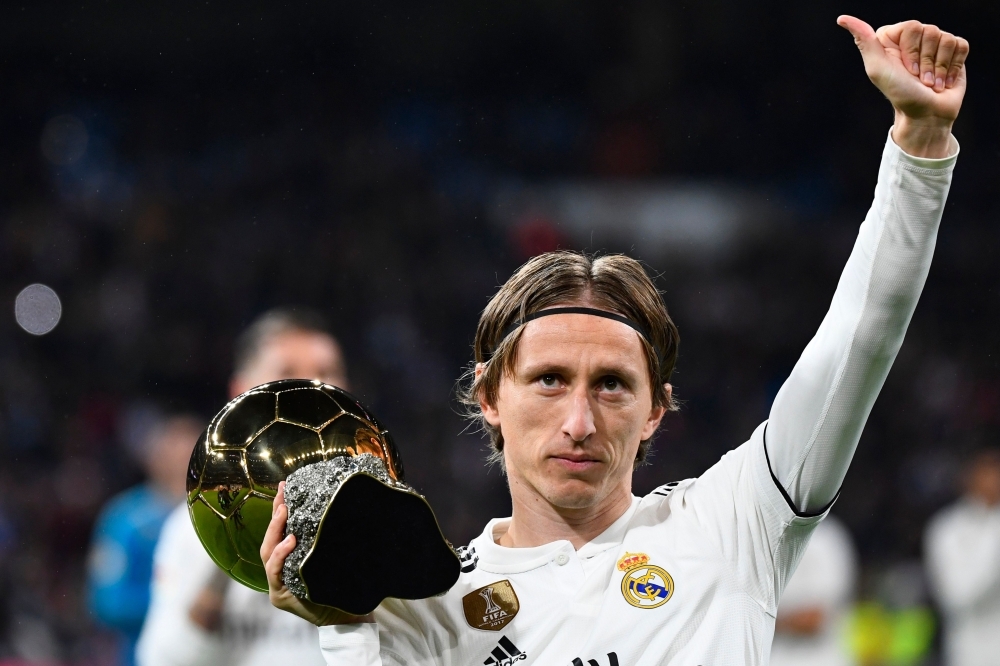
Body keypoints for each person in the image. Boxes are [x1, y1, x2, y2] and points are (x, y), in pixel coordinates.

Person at [261, 16, 967, 665]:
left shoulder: (734, 524)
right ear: (489, 397)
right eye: (548, 379)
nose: (579, 421)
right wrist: (342, 621)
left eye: (612, 384)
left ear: (656, 409)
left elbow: (860, 338)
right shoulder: (423, 610)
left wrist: (921, 145)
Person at [136, 308, 348, 666]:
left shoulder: (381, 518)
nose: (312, 389)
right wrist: (227, 548)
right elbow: (163, 659)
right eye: (286, 373)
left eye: (326, 373)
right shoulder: (192, 528)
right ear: (240, 393)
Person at [87, 413, 205, 666]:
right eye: (173, 455)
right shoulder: (126, 519)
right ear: (155, 459)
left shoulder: (220, 517)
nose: (181, 464)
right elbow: (109, 602)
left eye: (190, 455)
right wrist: (181, 602)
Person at [925, 449, 1000, 666]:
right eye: (987, 471)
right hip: (969, 652)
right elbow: (956, 596)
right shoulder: (947, 528)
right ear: (970, 476)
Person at [770, 515, 858, 666]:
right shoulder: (768, 532)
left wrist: (762, 618)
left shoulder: (825, 536)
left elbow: (815, 617)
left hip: (818, 659)